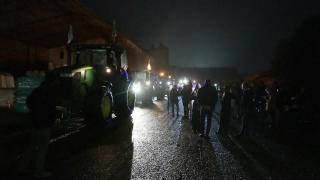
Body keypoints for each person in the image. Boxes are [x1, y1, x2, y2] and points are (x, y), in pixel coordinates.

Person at [23, 77, 60, 178]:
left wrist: (34, 112)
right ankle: (38, 172)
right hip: (45, 125)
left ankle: (22, 168)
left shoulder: (37, 91)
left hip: (35, 124)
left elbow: (28, 101)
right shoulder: (51, 94)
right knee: (42, 150)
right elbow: (52, 110)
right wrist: (53, 120)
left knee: (31, 146)